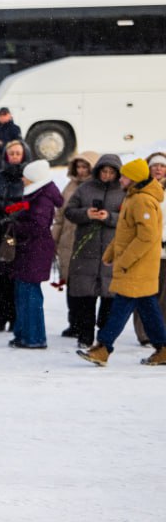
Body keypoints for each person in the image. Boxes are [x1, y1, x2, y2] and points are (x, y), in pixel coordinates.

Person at [78, 157, 166, 366]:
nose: (121, 178)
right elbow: (125, 232)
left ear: (134, 178)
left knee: (121, 306)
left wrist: (124, 260)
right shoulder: (132, 197)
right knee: (148, 308)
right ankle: (163, 348)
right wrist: (111, 253)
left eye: (125, 175)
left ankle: (103, 347)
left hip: (138, 266)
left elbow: (146, 237)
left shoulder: (142, 200)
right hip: (135, 265)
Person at [61, 154, 124, 350]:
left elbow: (128, 217)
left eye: (111, 172)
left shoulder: (124, 191)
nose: (106, 175)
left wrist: (110, 217)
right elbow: (69, 211)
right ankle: (85, 336)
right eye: (104, 171)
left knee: (109, 298)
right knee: (85, 298)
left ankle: (103, 339)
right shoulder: (85, 188)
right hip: (86, 251)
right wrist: (86, 214)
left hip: (110, 252)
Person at [8, 160, 64, 349]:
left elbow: (37, 226)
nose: (23, 179)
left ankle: (34, 337)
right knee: (24, 291)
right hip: (30, 249)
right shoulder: (38, 194)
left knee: (29, 293)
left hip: (34, 249)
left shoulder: (42, 197)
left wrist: (14, 225)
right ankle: (24, 334)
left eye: (26, 176)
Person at [0, 139, 30, 332]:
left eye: (18, 153)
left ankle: (14, 317)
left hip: (17, 233)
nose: (15, 157)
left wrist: (14, 220)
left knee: (14, 277)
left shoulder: (27, 178)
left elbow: (30, 202)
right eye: (12, 153)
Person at [53, 152, 99, 339]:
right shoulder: (69, 186)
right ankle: (74, 322)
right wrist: (54, 240)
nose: (81, 171)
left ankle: (85, 324)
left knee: (86, 285)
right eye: (78, 167)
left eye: (85, 167)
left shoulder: (96, 188)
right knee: (71, 284)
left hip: (88, 241)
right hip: (67, 241)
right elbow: (60, 216)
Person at [133, 152, 166, 346]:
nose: (159, 169)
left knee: (163, 294)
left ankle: (161, 331)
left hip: (164, 251)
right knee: (144, 292)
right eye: (155, 166)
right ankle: (144, 331)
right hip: (146, 249)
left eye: (162, 166)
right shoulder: (139, 190)